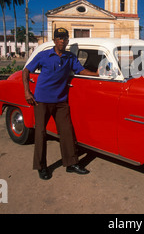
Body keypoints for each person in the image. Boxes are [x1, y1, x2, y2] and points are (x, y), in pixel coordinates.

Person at [22, 28, 98, 180]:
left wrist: (97, 74)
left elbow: (81, 71)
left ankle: (71, 164)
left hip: (61, 101)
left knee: (67, 132)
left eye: (65, 38)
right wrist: (27, 92)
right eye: (59, 38)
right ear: (54, 40)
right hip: (42, 100)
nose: (62, 40)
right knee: (41, 133)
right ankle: (41, 166)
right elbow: (26, 71)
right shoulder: (44, 55)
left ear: (68, 41)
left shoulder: (69, 57)